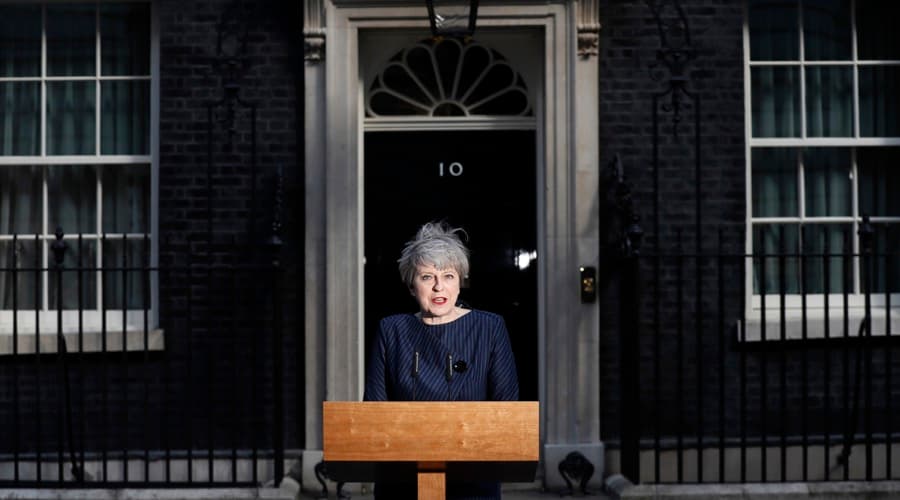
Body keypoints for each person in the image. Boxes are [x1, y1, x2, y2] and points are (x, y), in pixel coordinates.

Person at [364, 221, 519, 500]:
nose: (438, 287)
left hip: (473, 478)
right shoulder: (391, 330)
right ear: (412, 286)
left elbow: (506, 408)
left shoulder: (490, 328)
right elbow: (374, 410)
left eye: (448, 276)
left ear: (460, 282)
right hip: (402, 479)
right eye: (427, 277)